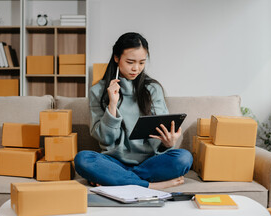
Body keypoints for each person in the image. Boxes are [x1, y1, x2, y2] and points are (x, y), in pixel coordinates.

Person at [74, 32, 192, 189]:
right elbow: (105, 139)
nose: (136, 68)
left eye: (142, 63)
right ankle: (149, 186)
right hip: (114, 162)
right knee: (83, 159)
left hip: (149, 163)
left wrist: (168, 143)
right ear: (117, 58)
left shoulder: (153, 89)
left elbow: (162, 136)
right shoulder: (98, 91)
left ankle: (118, 180)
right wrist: (112, 105)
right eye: (130, 62)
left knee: (184, 158)